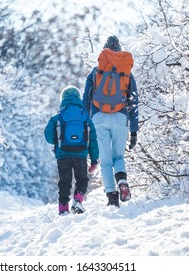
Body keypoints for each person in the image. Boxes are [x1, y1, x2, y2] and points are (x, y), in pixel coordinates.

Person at [82, 35, 139, 208]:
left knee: (105, 161)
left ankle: (112, 198)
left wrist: (86, 126)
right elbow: (134, 102)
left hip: (99, 118)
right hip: (121, 117)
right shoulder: (127, 73)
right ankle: (121, 179)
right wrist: (134, 129)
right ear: (120, 50)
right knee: (118, 157)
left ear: (105, 51)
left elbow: (86, 100)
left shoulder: (95, 72)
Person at [44, 86, 99, 215]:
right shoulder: (85, 117)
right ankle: (77, 201)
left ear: (63, 99)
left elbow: (48, 136)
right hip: (80, 154)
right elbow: (93, 140)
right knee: (82, 179)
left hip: (63, 154)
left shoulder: (57, 117)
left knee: (64, 182)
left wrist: (58, 140)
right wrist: (94, 159)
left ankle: (63, 209)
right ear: (78, 98)